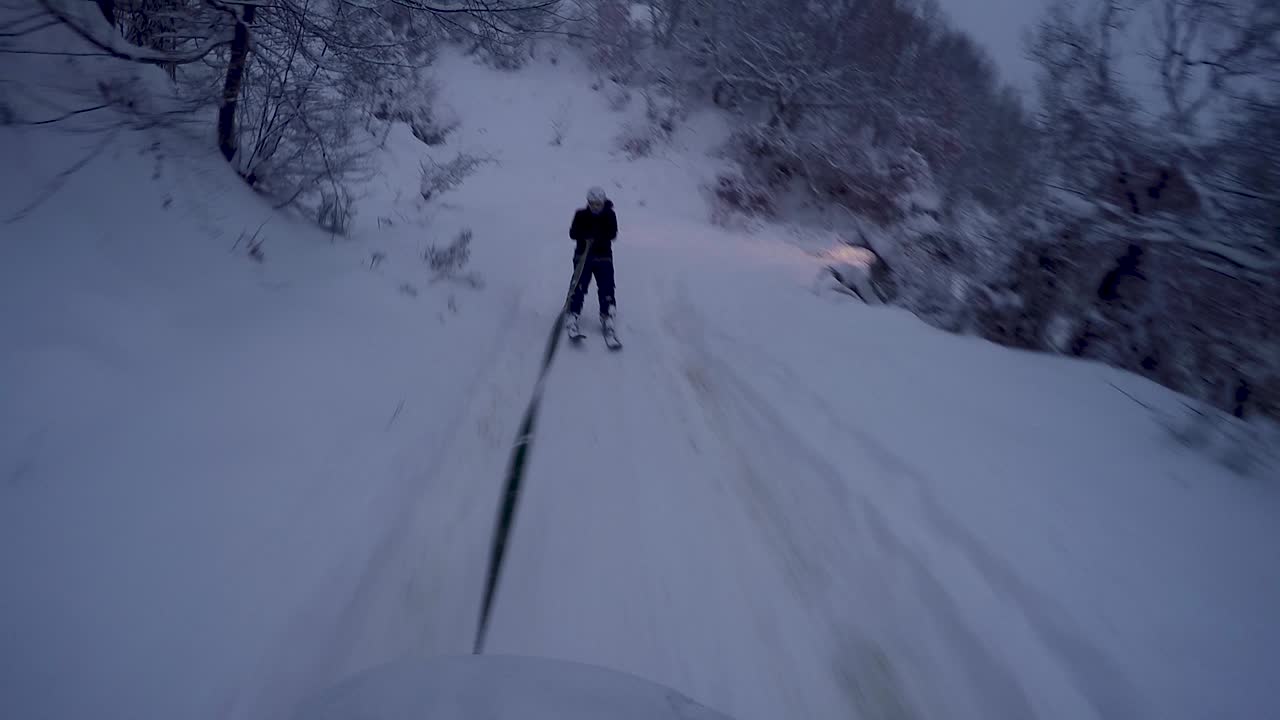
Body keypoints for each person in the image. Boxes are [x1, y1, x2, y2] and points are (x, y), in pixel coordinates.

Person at [566, 186, 618, 339]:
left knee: (606, 286)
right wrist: (584, 236)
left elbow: (612, 233)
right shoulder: (581, 214)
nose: (595, 206)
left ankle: (607, 315)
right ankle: (573, 313)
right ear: (588, 202)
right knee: (579, 285)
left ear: (603, 202)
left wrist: (597, 237)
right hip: (583, 256)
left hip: (603, 257)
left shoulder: (610, 215)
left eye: (598, 204)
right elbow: (573, 233)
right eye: (592, 203)